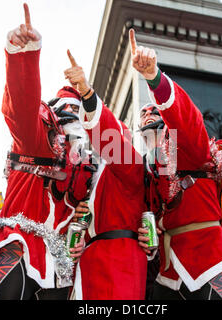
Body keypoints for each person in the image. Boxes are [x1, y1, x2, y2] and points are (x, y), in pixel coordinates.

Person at [126, 29, 222, 300]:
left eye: (154, 129)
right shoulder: (149, 173)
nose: (148, 138)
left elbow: (186, 118)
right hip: (167, 272)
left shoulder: (190, 149)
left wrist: (154, 79)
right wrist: (148, 239)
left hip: (211, 261)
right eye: (144, 134)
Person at [0, 4, 89, 300]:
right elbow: (20, 106)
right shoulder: (36, 138)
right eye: (68, 115)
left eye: (79, 117)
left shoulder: (87, 169)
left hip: (61, 265)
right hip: (21, 245)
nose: (73, 125)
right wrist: (24, 56)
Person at [64, 48, 148, 300]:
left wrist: (88, 95)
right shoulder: (90, 173)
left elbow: (108, 136)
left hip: (119, 262)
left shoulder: (131, 163)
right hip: (90, 262)